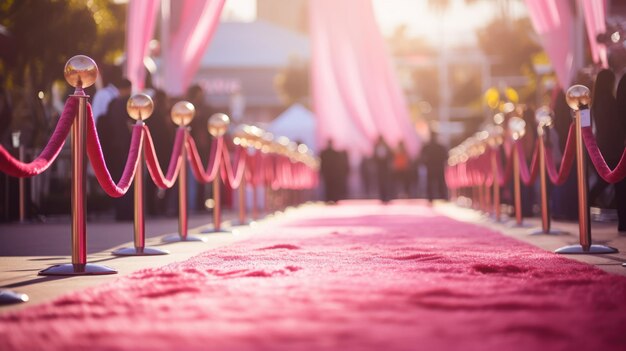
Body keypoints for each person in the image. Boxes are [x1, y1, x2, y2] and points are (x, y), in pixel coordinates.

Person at [96, 78, 133, 221]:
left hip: (113, 149)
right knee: (129, 181)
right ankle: (129, 213)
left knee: (118, 181)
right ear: (129, 89)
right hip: (129, 149)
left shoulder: (112, 104)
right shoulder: (131, 105)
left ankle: (120, 212)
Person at [420, 132, 447, 203]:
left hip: (431, 168)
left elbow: (422, 157)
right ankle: (442, 196)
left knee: (432, 183)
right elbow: (445, 156)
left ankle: (431, 197)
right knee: (439, 183)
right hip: (438, 167)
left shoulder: (427, 146)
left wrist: (426, 163)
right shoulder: (440, 146)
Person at [373, 135, 393, 203]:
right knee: (380, 183)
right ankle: (382, 197)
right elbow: (374, 158)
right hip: (379, 168)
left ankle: (387, 196)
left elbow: (390, 156)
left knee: (386, 183)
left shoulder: (386, 147)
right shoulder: (376, 147)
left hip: (385, 168)